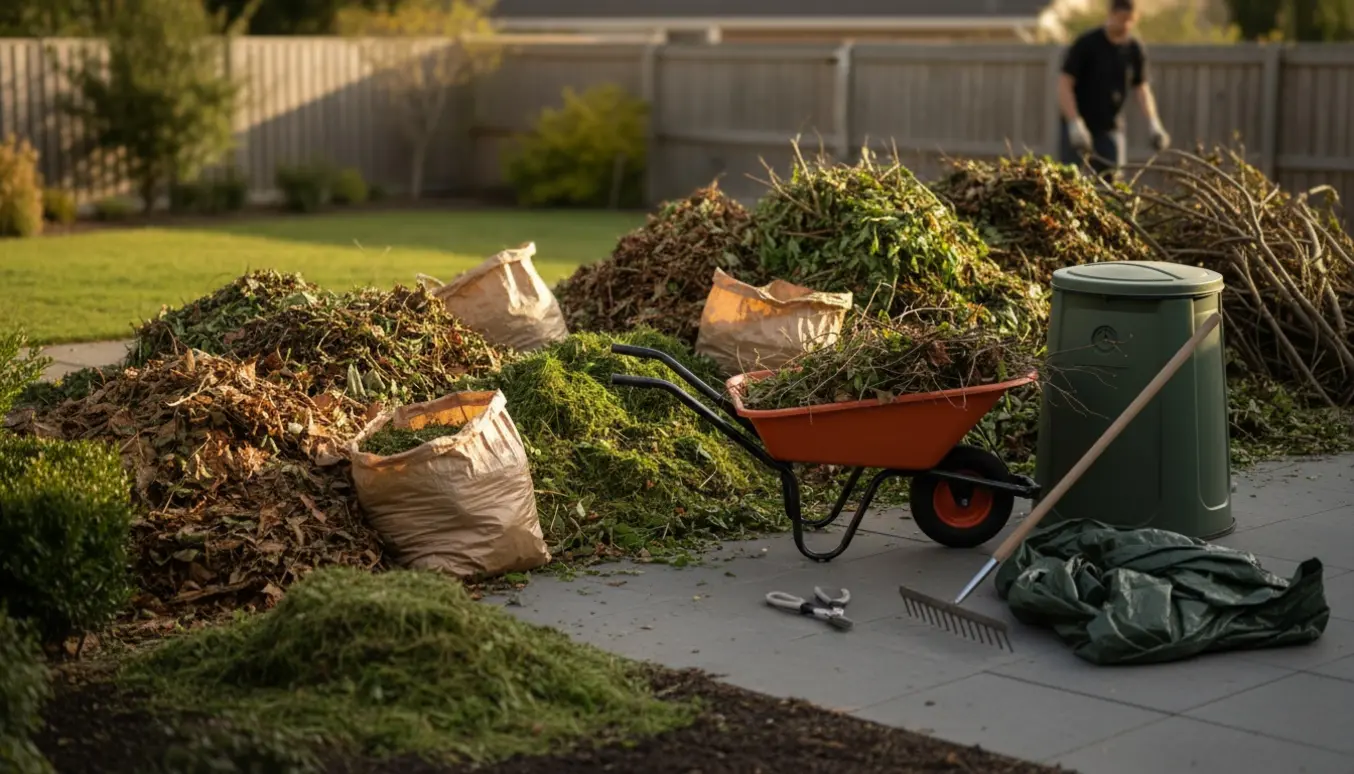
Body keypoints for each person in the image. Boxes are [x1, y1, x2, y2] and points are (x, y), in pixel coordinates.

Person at [1057, 0, 1170, 179]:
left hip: (1110, 129)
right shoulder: (1086, 44)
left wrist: (1154, 124)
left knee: (1113, 184)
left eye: (1130, 20)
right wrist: (1074, 122)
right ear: (1111, 14)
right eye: (1122, 19)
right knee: (1069, 182)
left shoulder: (1134, 49)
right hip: (1079, 127)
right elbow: (1064, 84)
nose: (1126, 25)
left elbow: (1141, 89)